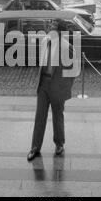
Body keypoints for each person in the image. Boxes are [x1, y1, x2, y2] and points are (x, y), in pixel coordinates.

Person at [27, 19, 80, 161]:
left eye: (53, 26)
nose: (49, 27)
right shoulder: (45, 41)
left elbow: (74, 70)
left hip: (57, 86)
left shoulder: (67, 47)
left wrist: (64, 87)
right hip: (43, 84)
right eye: (50, 25)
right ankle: (35, 147)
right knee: (39, 117)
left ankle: (59, 144)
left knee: (58, 116)